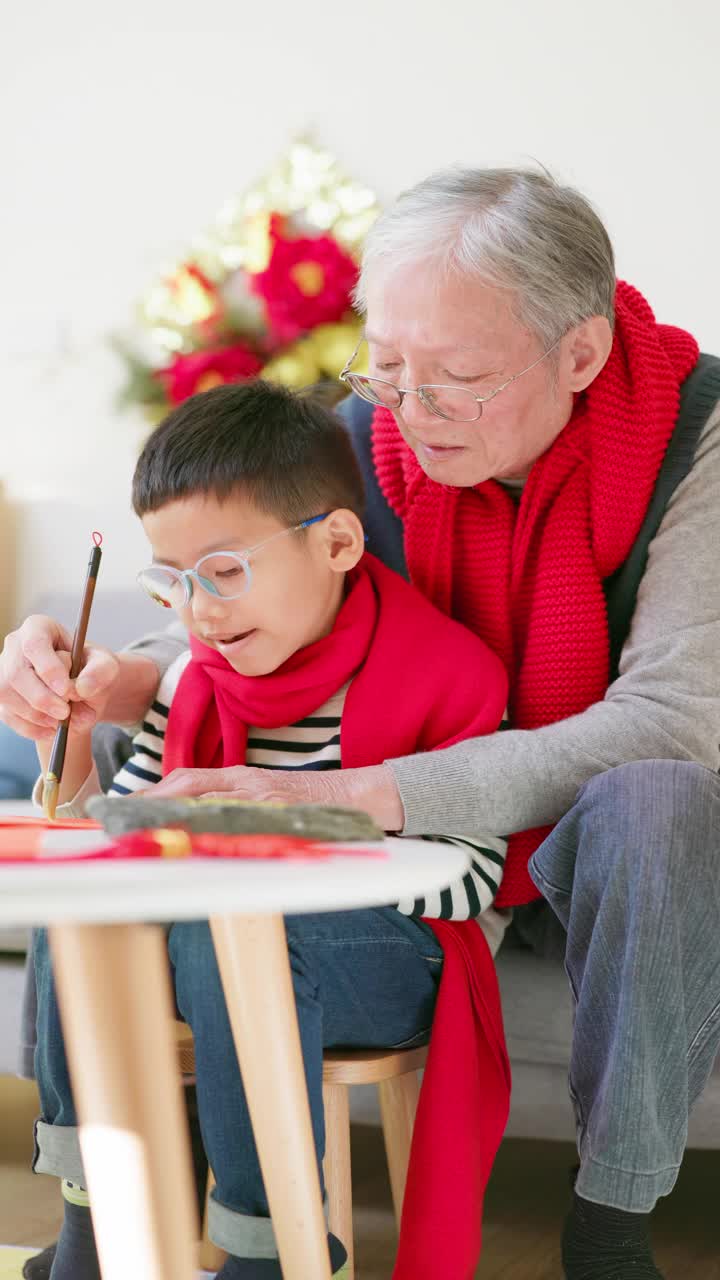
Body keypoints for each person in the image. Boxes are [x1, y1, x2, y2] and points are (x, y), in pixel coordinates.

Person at [2, 167, 720, 1279]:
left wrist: (355, 787)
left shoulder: (699, 441)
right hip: (415, 830)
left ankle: (610, 1221)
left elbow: (676, 722)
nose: (408, 409)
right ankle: (103, 1219)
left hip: (601, 842)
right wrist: (114, 677)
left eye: (457, 378)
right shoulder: (364, 441)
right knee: (66, 800)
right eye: (384, 367)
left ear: (578, 354)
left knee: (658, 802)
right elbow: (279, 614)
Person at [26, 379, 511, 1280]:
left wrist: (302, 835)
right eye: (173, 582)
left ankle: (268, 1250)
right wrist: (83, 752)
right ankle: (95, 1220)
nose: (200, 612)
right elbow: (114, 833)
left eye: (225, 570)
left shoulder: (449, 674)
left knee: (231, 931)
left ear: (335, 542)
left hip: (397, 960)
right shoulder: (193, 679)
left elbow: (471, 882)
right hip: (226, 944)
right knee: (81, 910)